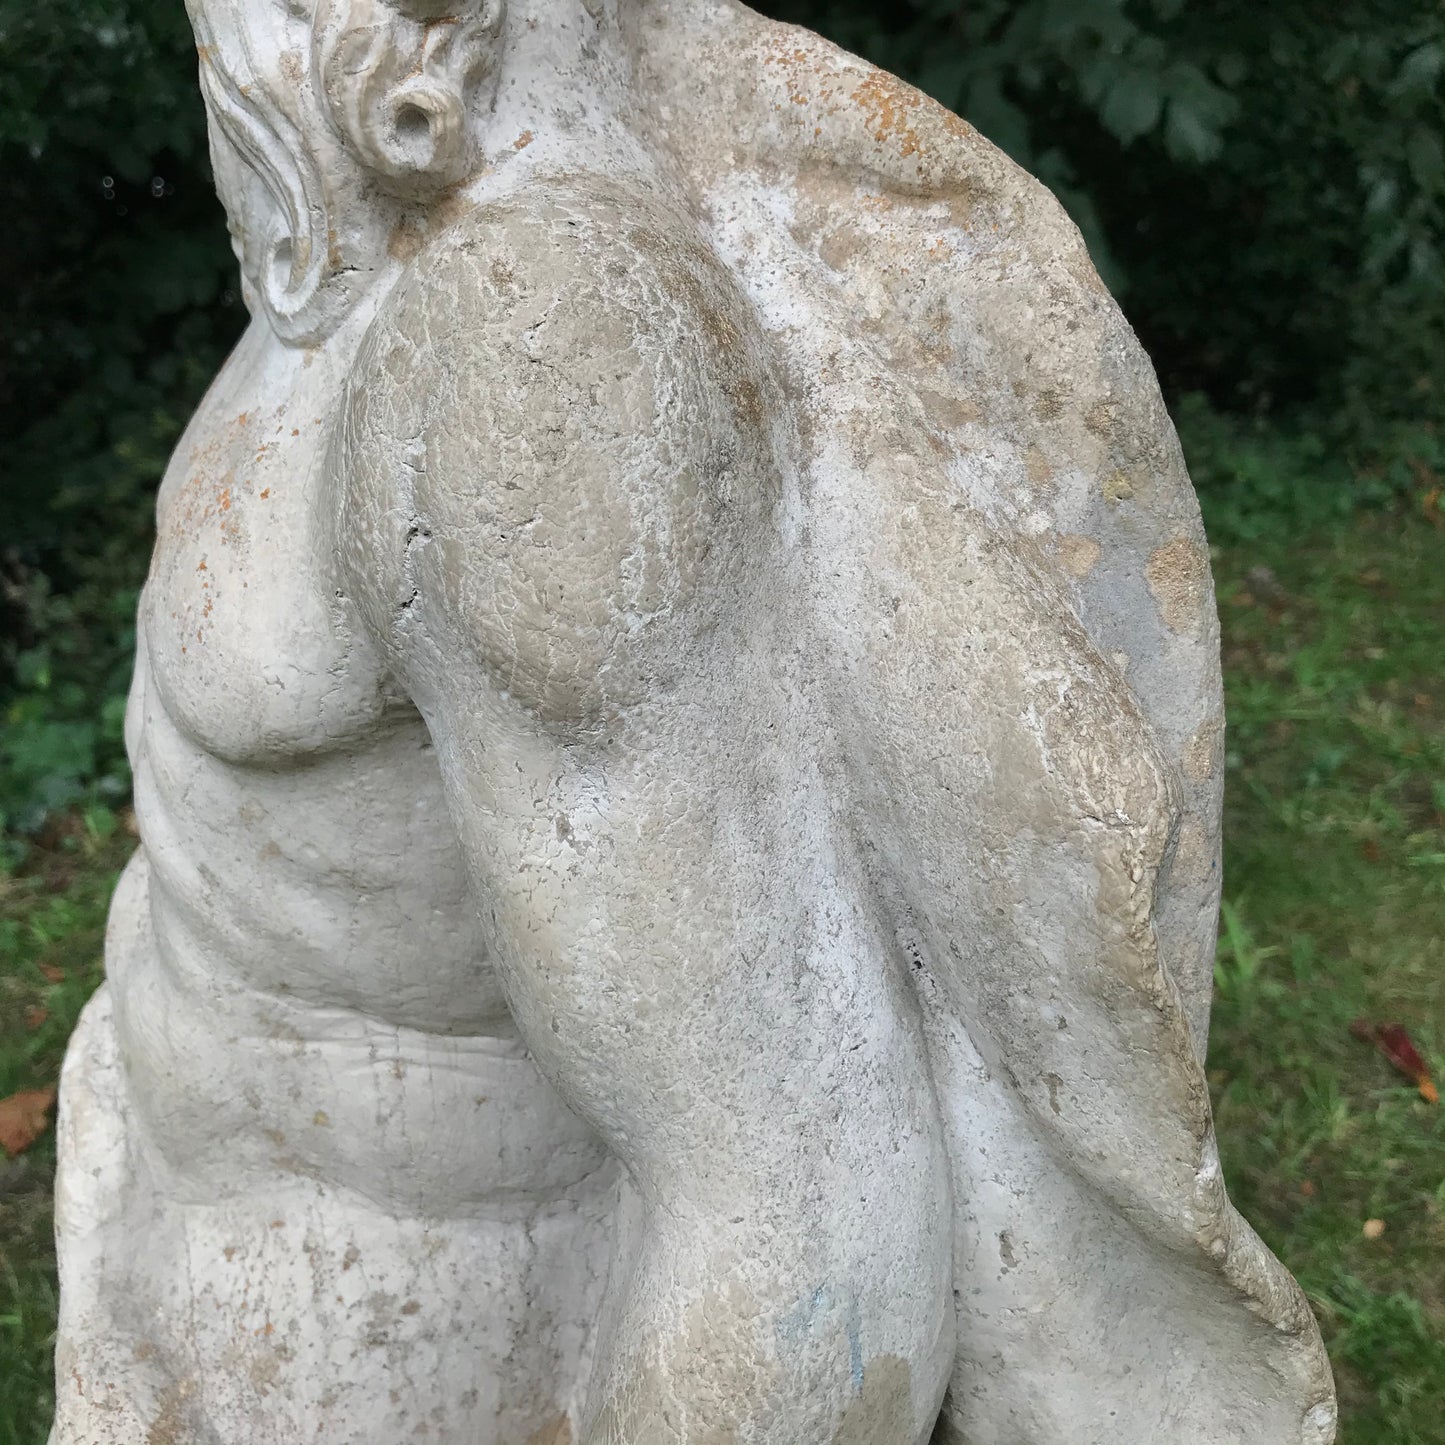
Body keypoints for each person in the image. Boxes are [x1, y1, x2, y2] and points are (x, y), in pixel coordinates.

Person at [50, 2, 1334, 1441]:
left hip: (418, 1371)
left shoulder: (526, 354)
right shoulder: (352, 277)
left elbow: (800, 1202)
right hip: (195, 1282)